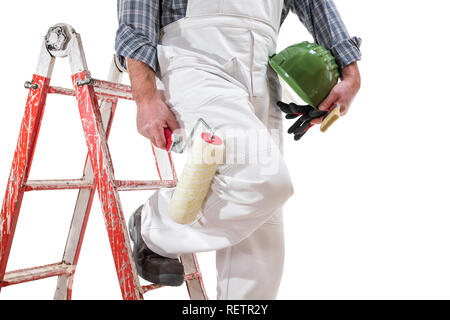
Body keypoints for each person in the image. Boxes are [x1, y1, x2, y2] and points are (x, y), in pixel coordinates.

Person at [115, 0, 361, 299]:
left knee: (262, 233)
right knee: (261, 181)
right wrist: (144, 94)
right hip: (195, 60)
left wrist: (350, 72)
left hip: (262, 71)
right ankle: (154, 225)